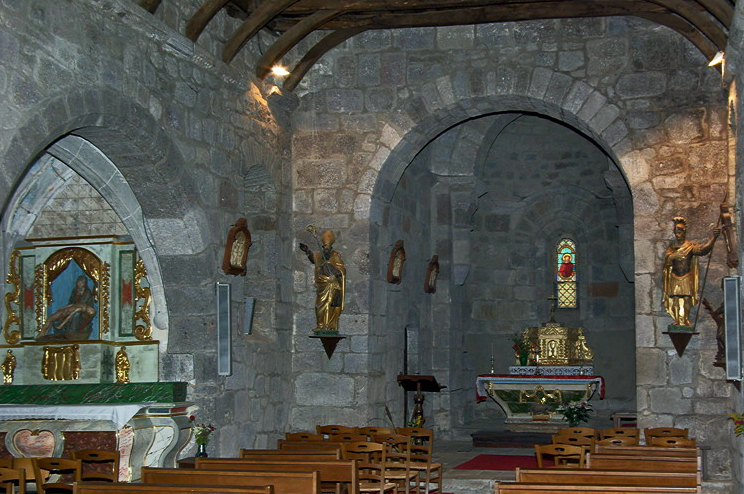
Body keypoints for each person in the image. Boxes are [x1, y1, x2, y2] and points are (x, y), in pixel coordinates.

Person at [663, 217, 720, 326]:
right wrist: (674, 256)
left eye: (679, 231)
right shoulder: (672, 247)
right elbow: (667, 258)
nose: (677, 234)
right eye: (676, 232)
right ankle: (677, 320)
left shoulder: (690, 246)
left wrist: (714, 238)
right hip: (675, 276)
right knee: (675, 299)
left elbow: (703, 250)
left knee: (686, 298)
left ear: (684, 232)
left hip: (686, 275)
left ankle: (685, 320)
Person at [299, 230, 345, 332]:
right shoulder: (320, 255)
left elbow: (342, 269)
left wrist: (335, 275)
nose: (326, 250)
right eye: (324, 247)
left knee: (331, 305)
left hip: (332, 285)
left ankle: (330, 326)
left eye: (328, 248)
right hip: (322, 285)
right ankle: (320, 325)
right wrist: (307, 251)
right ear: (323, 247)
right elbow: (313, 259)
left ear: (331, 248)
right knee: (319, 305)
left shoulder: (335, 256)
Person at [37, 275, 96, 341]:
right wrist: (63, 309)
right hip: (71, 309)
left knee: (76, 314)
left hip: (81, 314)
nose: (79, 284)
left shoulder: (87, 293)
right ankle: (43, 333)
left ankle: (72, 332)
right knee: (53, 318)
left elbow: (78, 308)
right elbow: (71, 303)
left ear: (85, 284)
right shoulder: (75, 291)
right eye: (78, 282)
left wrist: (63, 322)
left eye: (81, 283)